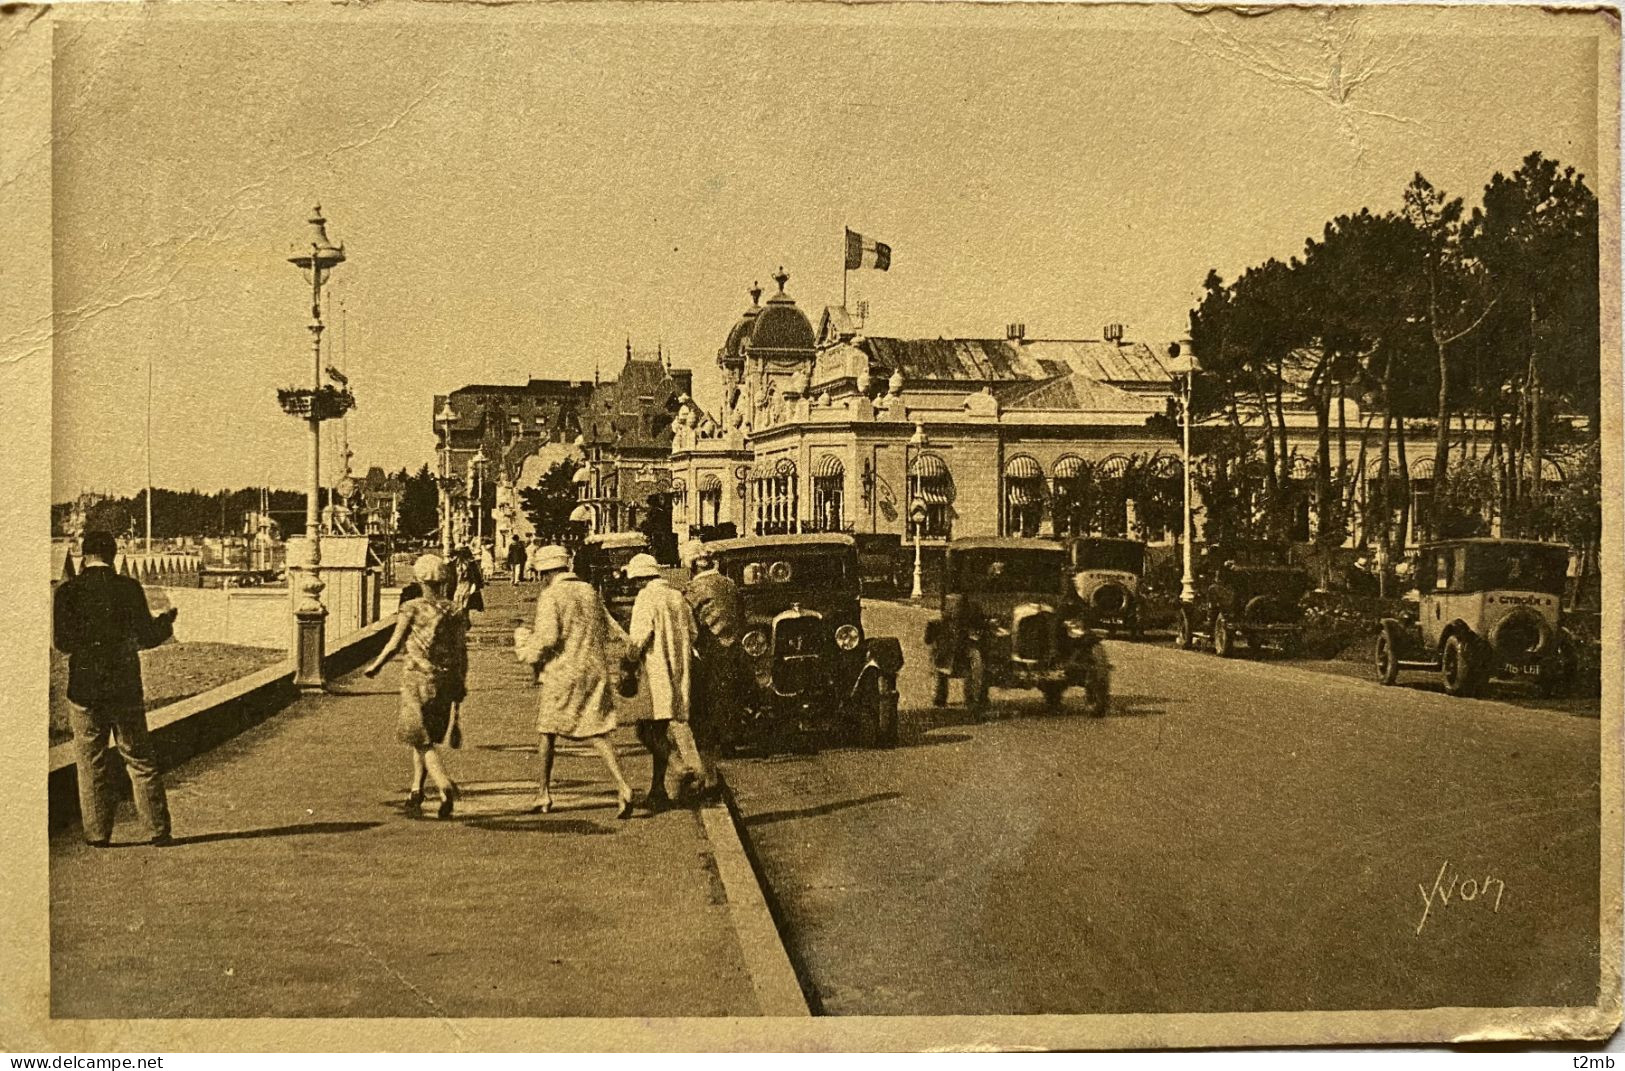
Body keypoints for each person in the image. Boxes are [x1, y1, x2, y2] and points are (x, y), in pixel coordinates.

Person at [53, 530, 178, 847]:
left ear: (83, 556)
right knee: (139, 759)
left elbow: (63, 643)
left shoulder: (68, 592)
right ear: (113, 555)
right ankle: (157, 830)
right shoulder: (128, 588)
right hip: (124, 687)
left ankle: (97, 833)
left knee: (90, 762)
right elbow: (149, 637)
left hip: (84, 689)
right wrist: (165, 621)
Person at [515, 544, 635, 818]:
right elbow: (610, 627)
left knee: (547, 731)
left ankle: (543, 793)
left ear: (545, 572)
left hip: (563, 672)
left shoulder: (552, 595)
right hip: (594, 669)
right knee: (596, 731)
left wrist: (525, 648)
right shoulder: (589, 591)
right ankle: (623, 786)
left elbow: (547, 638)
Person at [363, 554, 467, 819]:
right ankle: (416, 791)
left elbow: (394, 643)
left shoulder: (411, 607)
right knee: (426, 736)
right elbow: (460, 651)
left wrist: (376, 665)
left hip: (416, 680)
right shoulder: (455, 610)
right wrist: (461, 682)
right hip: (445, 681)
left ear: (419, 579)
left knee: (421, 741)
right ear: (444, 580)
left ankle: (443, 784)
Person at [622, 553, 714, 810]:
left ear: (639, 578)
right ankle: (658, 790)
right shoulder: (677, 597)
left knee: (647, 730)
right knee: (663, 728)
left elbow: (638, 639)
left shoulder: (646, 598)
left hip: (655, 671)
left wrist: (628, 660)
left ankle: (682, 768)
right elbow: (694, 633)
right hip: (680, 669)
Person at [682, 540, 746, 768]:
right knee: (729, 693)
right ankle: (731, 738)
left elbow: (689, 622)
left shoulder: (693, 590)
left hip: (709, 648)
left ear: (693, 565)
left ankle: (712, 742)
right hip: (733, 645)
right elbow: (740, 612)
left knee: (708, 696)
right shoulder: (729, 583)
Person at [451, 545, 485, 615]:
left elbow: (476, 574)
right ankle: (460, 616)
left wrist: (478, 583)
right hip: (459, 584)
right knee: (458, 600)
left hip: (468, 583)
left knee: (466, 600)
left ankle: (464, 616)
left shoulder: (470, 563)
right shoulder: (455, 563)